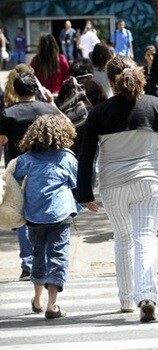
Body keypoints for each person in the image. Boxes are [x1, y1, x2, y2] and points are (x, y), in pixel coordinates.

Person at [76, 56, 158, 322]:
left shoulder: (99, 112)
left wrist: (84, 193)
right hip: (149, 183)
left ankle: (127, 300)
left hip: (113, 185)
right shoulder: (156, 106)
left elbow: (86, 155)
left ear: (110, 81)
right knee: (145, 238)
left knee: (123, 239)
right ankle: (146, 296)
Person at [14, 114, 80, 319]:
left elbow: (13, 181)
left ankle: (37, 299)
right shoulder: (67, 158)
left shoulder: (26, 159)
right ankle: (52, 304)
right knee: (58, 255)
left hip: (34, 216)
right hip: (60, 215)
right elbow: (76, 183)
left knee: (38, 254)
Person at [0, 72, 61, 282]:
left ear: (16, 91)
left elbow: (0, 142)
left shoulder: (7, 113)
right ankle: (43, 260)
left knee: (20, 216)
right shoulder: (48, 110)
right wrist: (52, 102)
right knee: (44, 214)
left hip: (18, 169)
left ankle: (28, 263)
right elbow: (67, 130)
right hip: (46, 169)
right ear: (36, 90)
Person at [56, 58, 108, 154]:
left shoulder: (66, 86)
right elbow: (104, 106)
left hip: (72, 130)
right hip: (92, 130)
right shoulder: (95, 84)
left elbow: (59, 107)